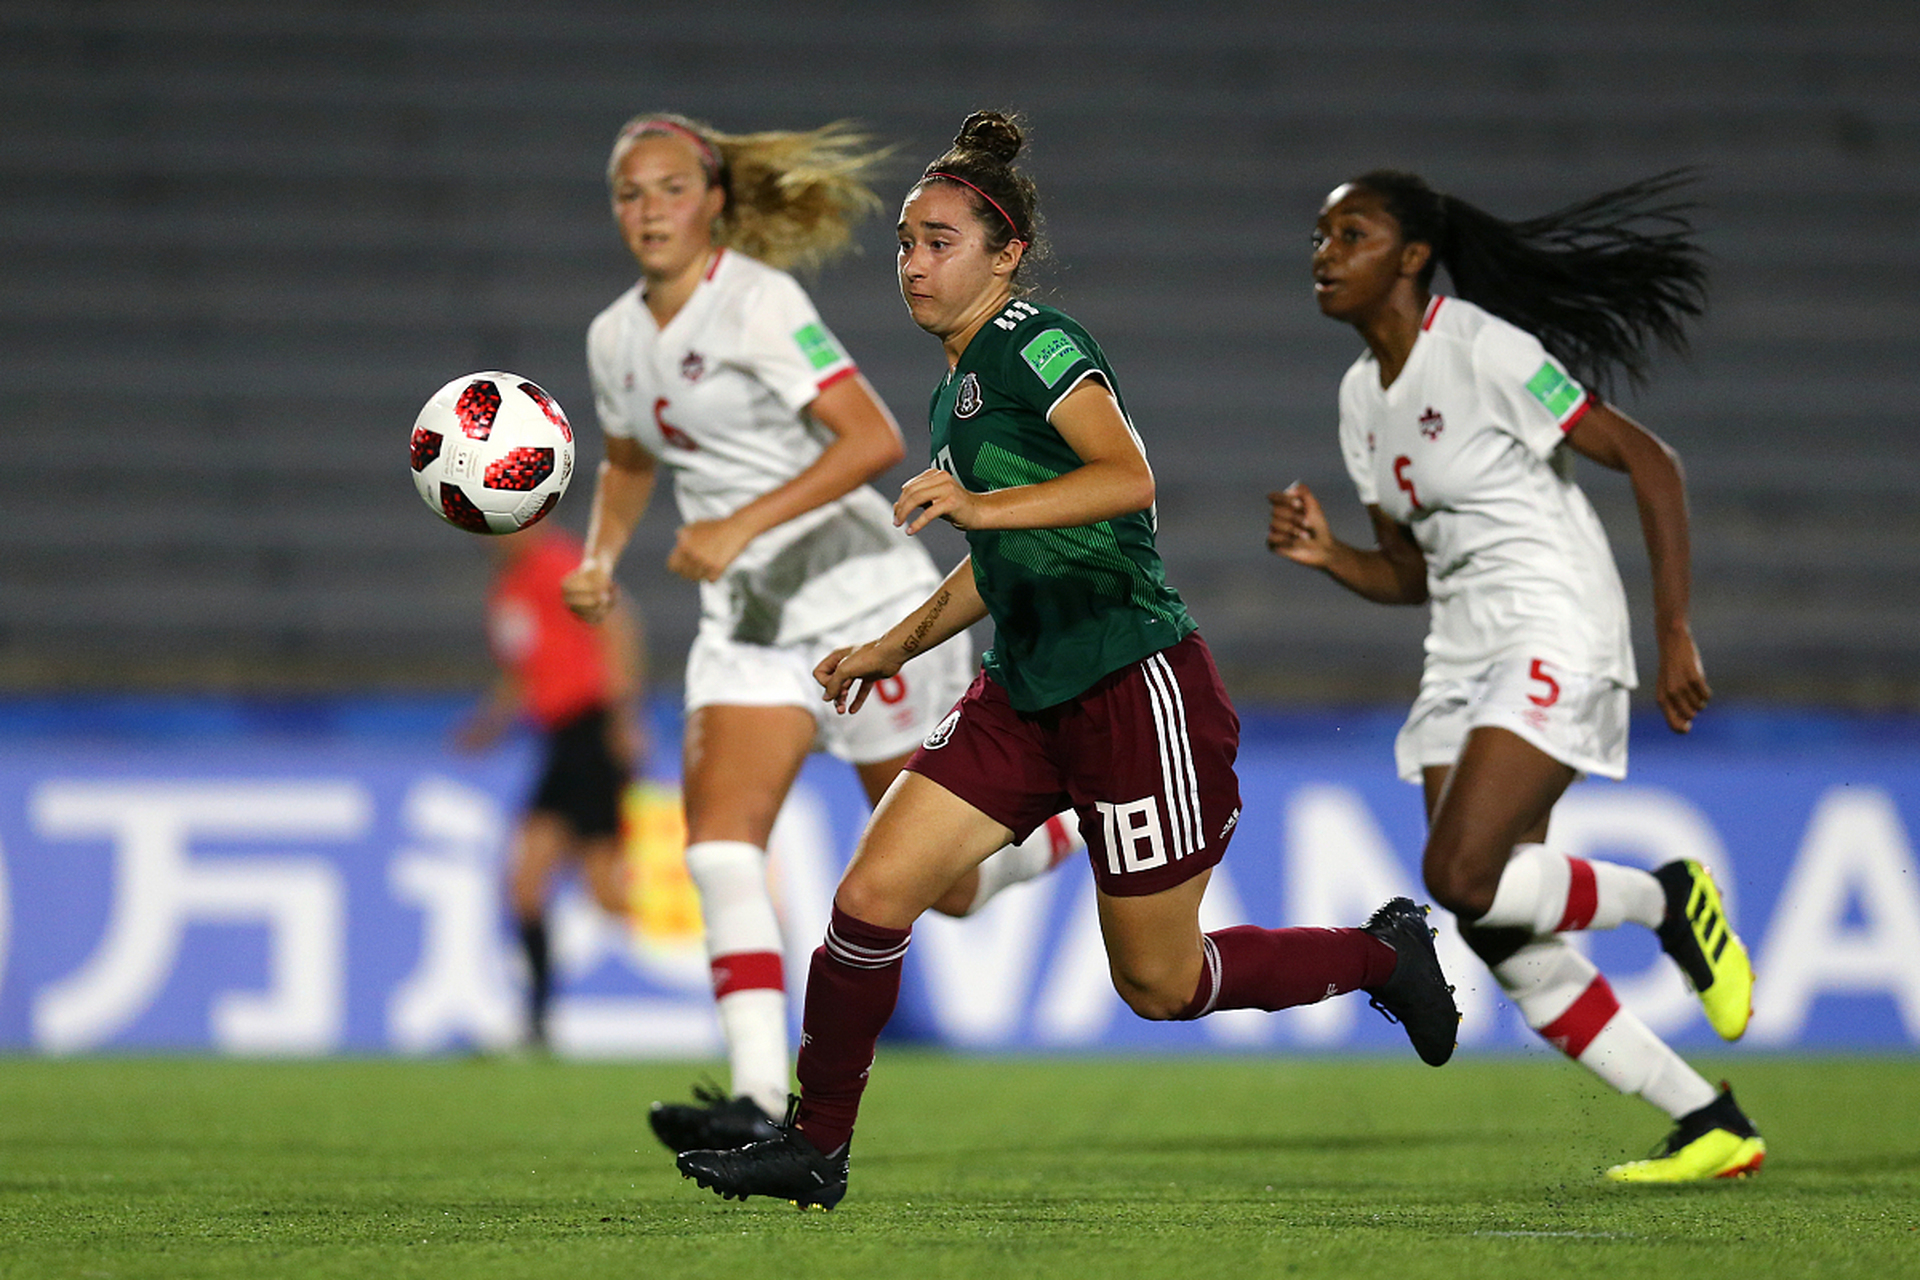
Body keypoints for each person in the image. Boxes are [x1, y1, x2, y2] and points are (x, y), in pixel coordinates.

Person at [675, 111, 1461, 1212]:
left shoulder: (1038, 343)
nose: (913, 262)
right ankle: (815, 1144)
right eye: (905, 241)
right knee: (869, 898)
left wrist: (981, 501)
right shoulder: (953, 393)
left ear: (1004, 256)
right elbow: (995, 561)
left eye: (939, 240)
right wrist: (883, 649)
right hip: (1024, 685)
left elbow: (1128, 477)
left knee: (1159, 980)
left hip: (1132, 682)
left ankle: (1384, 958)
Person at [564, 111, 1078, 1154]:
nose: (650, 210)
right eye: (631, 193)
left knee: (952, 886)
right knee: (715, 846)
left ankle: (1060, 826)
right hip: (750, 623)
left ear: (714, 201)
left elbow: (873, 437)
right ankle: (757, 1093)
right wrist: (601, 557)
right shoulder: (614, 336)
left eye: (671, 188)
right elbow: (625, 457)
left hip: (860, 604)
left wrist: (741, 522)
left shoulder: (759, 303)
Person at [1266, 169, 1763, 1182]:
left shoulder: (1485, 349)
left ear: (1409, 257)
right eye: (1319, 233)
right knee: (1494, 920)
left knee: (1456, 876)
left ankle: (1667, 898)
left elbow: (1650, 459)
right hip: (1461, 644)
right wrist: (1329, 557)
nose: (1323, 251)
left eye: (1349, 233)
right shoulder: (1362, 397)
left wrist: (1675, 630)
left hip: (1555, 625)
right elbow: (1407, 572)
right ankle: (1709, 1118)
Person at [455, 522, 645, 1049]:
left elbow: (618, 624)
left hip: (591, 730)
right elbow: (522, 672)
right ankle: (536, 1023)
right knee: (523, 886)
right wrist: (487, 726)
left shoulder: (558, 564)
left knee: (606, 892)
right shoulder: (508, 588)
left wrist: (625, 717)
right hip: (559, 742)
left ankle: (735, 945)